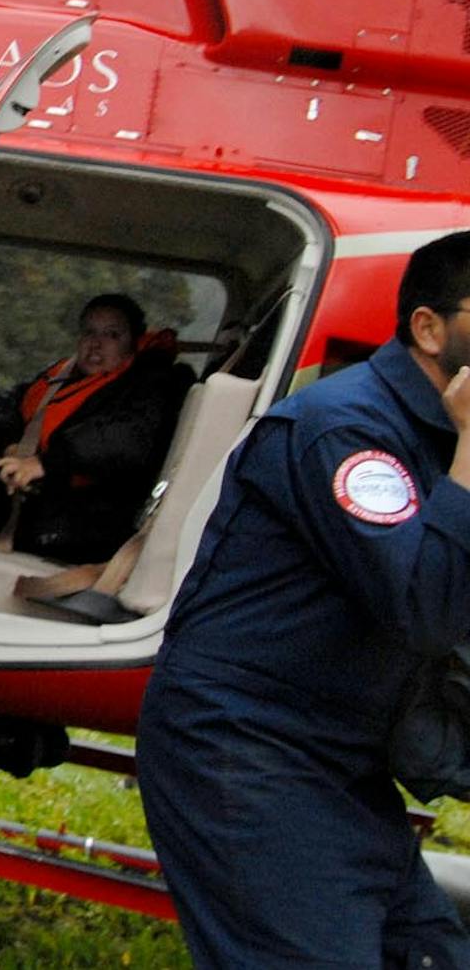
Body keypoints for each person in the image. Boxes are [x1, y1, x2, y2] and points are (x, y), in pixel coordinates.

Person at [138, 233, 470, 969]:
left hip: (340, 756)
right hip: (247, 745)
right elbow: (426, 608)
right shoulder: (348, 430)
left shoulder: (438, 433)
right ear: (429, 327)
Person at [0, 293, 193, 565]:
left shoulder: (150, 385)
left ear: (133, 343)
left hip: (86, 520)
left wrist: (45, 463)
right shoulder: (63, 376)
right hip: (43, 500)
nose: (96, 344)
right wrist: (12, 447)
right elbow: (3, 404)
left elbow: (125, 440)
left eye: (112, 335)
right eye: (89, 332)